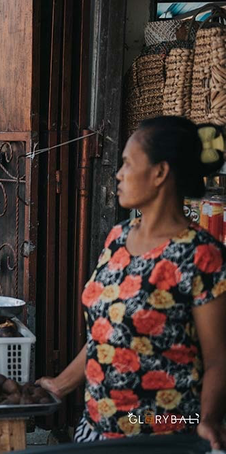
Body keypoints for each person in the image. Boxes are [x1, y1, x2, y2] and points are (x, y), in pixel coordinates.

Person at [37, 117, 226, 449]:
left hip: (159, 437)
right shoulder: (118, 237)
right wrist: (59, 385)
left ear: (159, 173)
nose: (118, 174)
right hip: (94, 430)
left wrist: (206, 421)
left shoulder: (201, 256)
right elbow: (107, 331)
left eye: (127, 163)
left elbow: (218, 359)